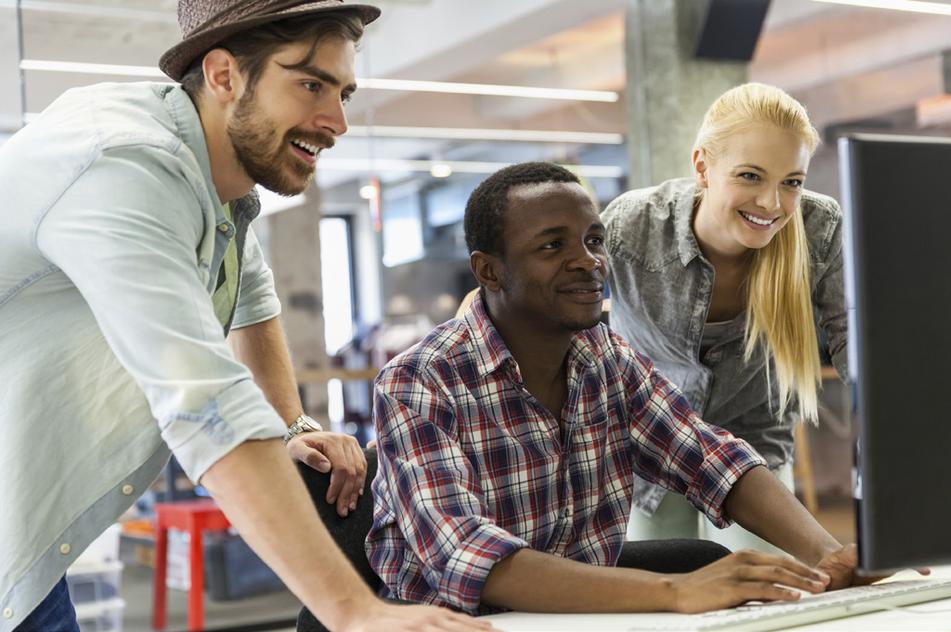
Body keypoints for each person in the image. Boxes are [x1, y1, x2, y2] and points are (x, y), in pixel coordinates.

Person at [0, 2, 488, 631]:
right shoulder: (125, 164)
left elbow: (253, 305)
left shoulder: (217, 182)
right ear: (224, 74)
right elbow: (205, 403)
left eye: (344, 92)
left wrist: (292, 428)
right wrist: (355, 612)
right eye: (311, 83)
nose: (337, 120)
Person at [365, 162, 878, 616]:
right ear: (489, 270)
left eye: (593, 240)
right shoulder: (420, 381)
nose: (588, 261)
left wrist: (827, 557)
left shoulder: (605, 357)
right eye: (552, 246)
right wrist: (675, 592)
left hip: (587, 620)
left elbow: (709, 459)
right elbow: (470, 558)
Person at [601, 83, 848, 551]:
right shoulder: (630, 228)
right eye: (750, 176)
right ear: (703, 167)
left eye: (791, 182)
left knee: (776, 603)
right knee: (661, 605)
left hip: (754, 442)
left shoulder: (818, 227)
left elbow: (854, 337)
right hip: (651, 445)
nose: (772, 204)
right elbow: (557, 310)